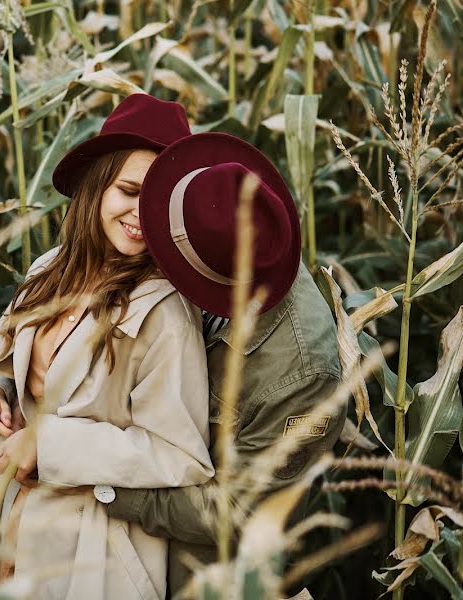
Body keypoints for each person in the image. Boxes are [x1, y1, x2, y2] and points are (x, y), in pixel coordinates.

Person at [0, 93, 213, 599]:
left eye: (157, 202)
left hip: (97, 551)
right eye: (128, 190)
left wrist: (50, 443)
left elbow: (180, 455)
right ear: (96, 183)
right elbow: (14, 368)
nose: (140, 215)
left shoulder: (164, 312)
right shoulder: (48, 271)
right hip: (16, 523)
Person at [107, 131, 345, 596]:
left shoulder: (304, 373)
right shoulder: (210, 221)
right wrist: (1, 386)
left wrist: (109, 491)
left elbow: (240, 514)